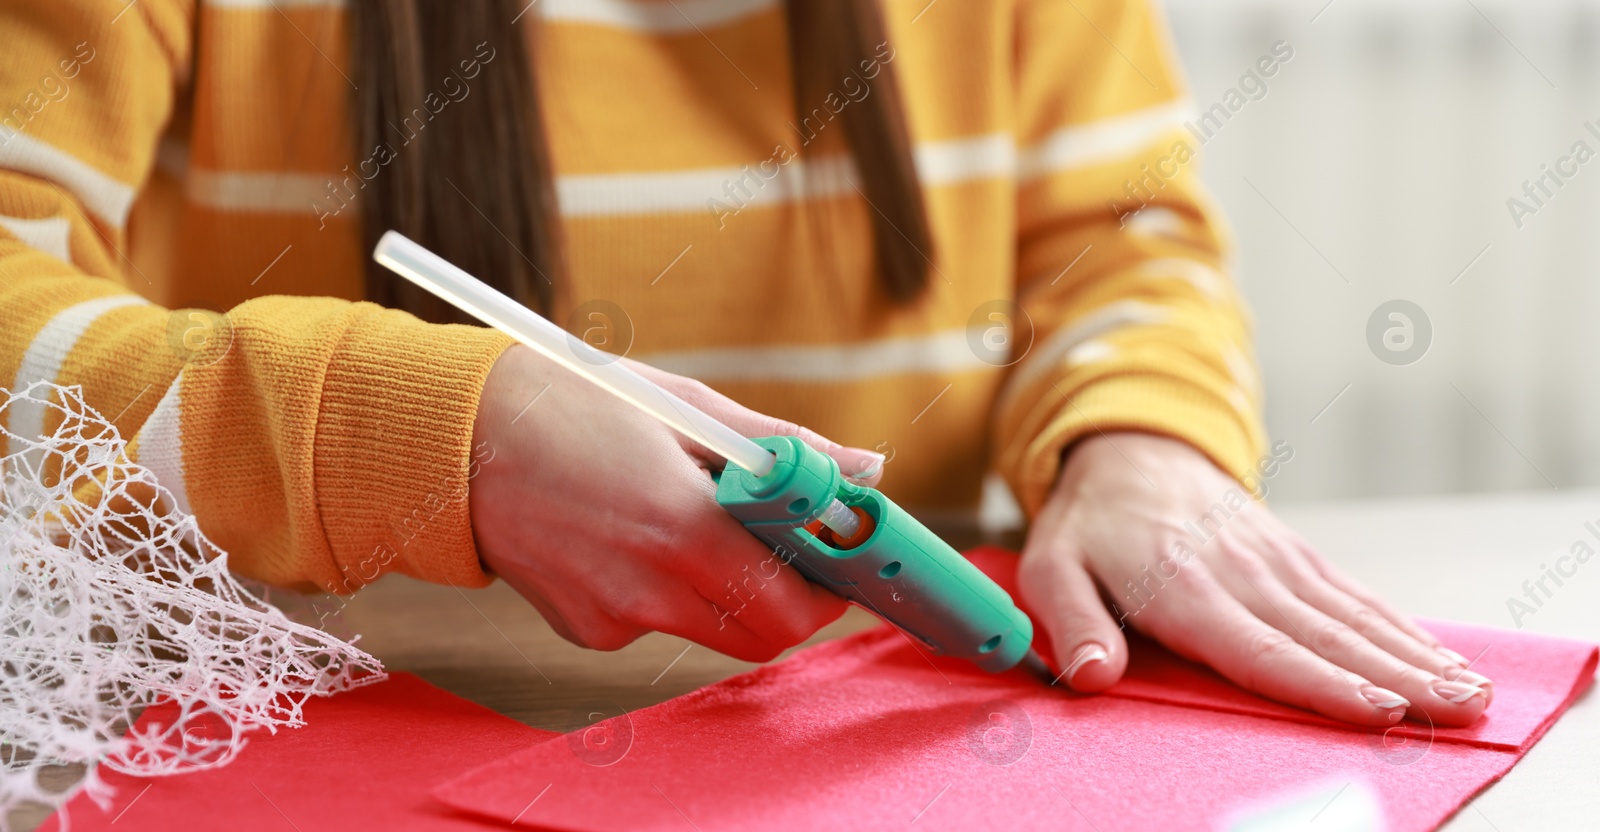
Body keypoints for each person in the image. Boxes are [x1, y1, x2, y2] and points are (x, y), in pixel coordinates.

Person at [0, 0, 1489, 727]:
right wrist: (416, 434)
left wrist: (1142, 446)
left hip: (903, 793)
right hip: (319, 746)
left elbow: (1113, 245)